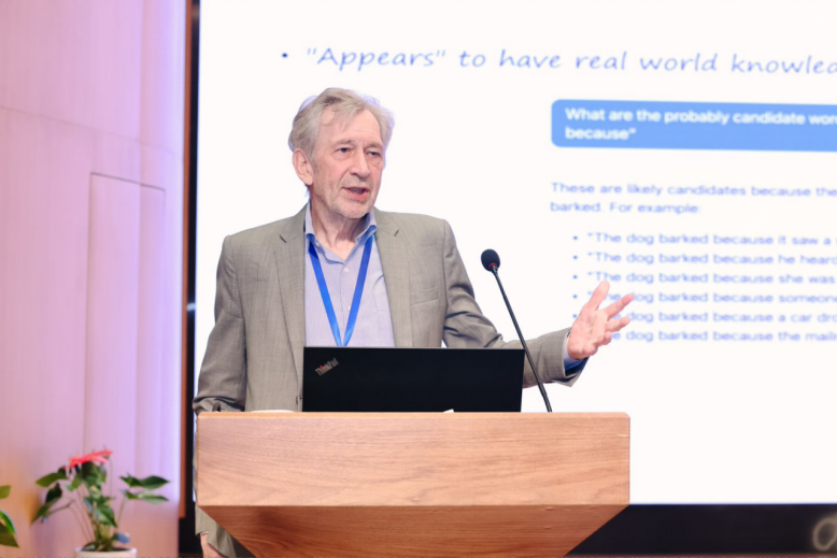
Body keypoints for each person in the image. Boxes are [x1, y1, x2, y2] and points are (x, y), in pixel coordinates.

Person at [194, 88, 634, 558]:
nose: (363, 167)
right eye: (344, 150)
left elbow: (485, 359)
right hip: (285, 512)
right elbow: (218, 403)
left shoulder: (427, 242)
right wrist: (213, 529)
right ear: (304, 165)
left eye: (374, 152)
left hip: (405, 502)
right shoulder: (248, 255)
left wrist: (567, 347)